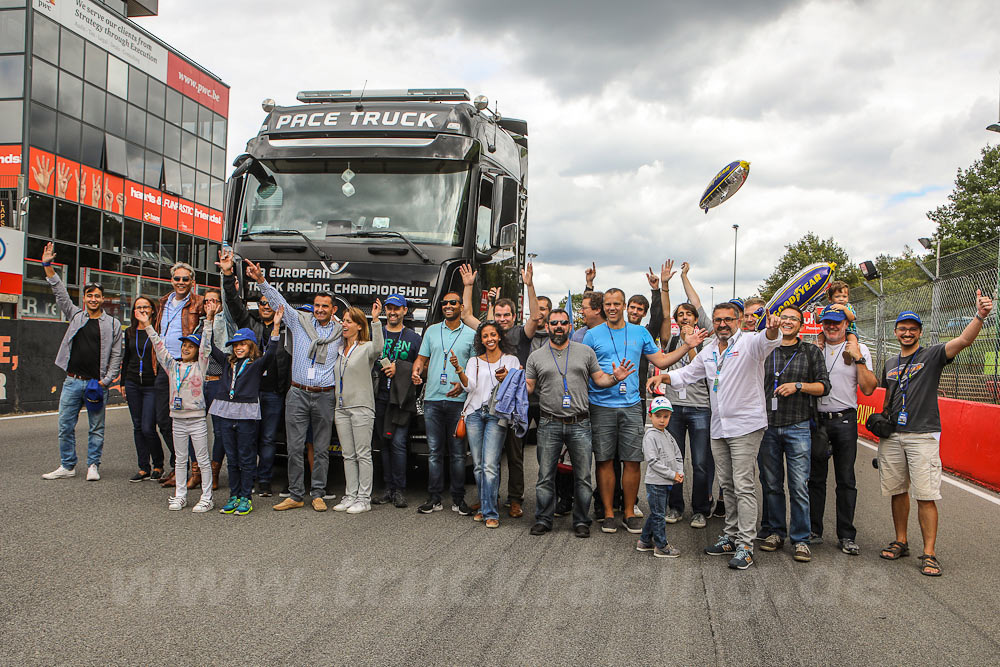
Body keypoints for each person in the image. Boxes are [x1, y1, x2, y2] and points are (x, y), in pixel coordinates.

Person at [648, 305, 782, 570]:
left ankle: (745, 545)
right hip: (719, 426)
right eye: (718, 319)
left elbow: (770, 339)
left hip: (746, 426)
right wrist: (664, 375)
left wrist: (774, 327)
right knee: (728, 484)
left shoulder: (752, 343)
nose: (722, 324)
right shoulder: (709, 350)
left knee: (743, 485)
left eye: (728, 319)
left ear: (739, 320)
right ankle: (731, 537)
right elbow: (687, 374)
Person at [877, 294, 993, 577]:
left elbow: (963, 341)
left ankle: (929, 553)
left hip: (923, 434)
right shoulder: (890, 362)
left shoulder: (931, 355)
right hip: (893, 436)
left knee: (926, 495)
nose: (907, 332)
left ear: (919, 332)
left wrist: (979, 316)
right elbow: (889, 398)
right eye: (902, 328)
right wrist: (881, 421)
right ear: (895, 332)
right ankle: (900, 541)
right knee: (897, 491)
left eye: (912, 328)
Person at [585, 287, 706, 535]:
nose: (612, 308)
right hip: (601, 405)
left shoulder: (639, 332)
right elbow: (586, 371)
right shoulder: (592, 335)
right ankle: (609, 513)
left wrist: (686, 346)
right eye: (607, 304)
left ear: (624, 305)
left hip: (631, 404)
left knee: (632, 460)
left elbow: (661, 361)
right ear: (603, 307)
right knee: (605, 460)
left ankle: (629, 512)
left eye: (616, 303)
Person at [525, 308, 635, 537]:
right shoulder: (536, 356)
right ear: (547, 327)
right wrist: (509, 380)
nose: (558, 327)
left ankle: (581, 521)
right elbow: (529, 387)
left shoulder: (585, 352)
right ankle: (544, 519)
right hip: (549, 423)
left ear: (569, 326)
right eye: (553, 323)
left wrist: (616, 378)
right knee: (545, 476)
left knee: (583, 477)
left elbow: (600, 379)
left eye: (563, 323)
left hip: (580, 423)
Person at [244, 260, 343, 513]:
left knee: (321, 448)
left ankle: (318, 493)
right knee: (295, 446)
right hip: (298, 393)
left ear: (333, 310)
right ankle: (297, 494)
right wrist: (260, 281)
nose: (320, 310)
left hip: (324, 396)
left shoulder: (341, 330)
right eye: (317, 305)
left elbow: (363, 340)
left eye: (325, 306)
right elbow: (279, 302)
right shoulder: (299, 321)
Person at [460, 263, 540, 519]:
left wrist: (529, 285)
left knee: (515, 456)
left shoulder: (522, 333)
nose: (503, 319)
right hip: (487, 406)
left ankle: (515, 500)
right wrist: (468, 286)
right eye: (499, 315)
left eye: (507, 315)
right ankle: (488, 499)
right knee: (488, 458)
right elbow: (466, 315)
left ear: (514, 317)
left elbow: (536, 318)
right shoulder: (488, 333)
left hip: (514, 405)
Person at [40, 242, 122, 482]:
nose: (93, 299)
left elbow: (116, 355)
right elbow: (59, 292)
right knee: (65, 425)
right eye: (89, 295)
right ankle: (67, 465)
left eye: (97, 295)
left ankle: (93, 465)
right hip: (73, 382)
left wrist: (107, 381)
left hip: (96, 384)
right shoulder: (76, 315)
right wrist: (47, 265)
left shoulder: (113, 324)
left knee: (96, 427)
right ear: (85, 298)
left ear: (103, 299)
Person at [757, 305, 830, 563]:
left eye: (793, 319)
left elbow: (824, 387)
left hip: (798, 425)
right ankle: (776, 532)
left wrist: (799, 386)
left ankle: (801, 539)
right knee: (772, 483)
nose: (788, 322)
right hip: (767, 425)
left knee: (799, 484)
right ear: (777, 321)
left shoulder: (810, 351)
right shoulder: (765, 349)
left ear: (801, 324)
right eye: (784, 317)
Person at [219, 249, 292, 497]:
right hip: (249, 394)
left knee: (269, 439)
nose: (265, 307)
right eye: (261, 303)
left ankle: (264, 481)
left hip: (273, 393)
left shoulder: (286, 329)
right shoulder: (249, 324)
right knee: (248, 440)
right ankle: (246, 480)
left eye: (269, 303)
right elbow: (232, 302)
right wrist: (228, 275)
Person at [809, 305, 877, 555]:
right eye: (827, 322)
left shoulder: (858, 349)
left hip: (845, 420)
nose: (832, 327)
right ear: (822, 325)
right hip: (817, 421)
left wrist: (857, 357)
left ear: (846, 325)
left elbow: (869, 388)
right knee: (815, 479)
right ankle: (814, 530)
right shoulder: (814, 348)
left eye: (837, 322)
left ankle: (846, 535)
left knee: (846, 480)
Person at [137, 301, 216, 512]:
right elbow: (159, 346)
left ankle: (207, 497)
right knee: (181, 460)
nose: (185, 348)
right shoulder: (173, 366)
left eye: (190, 346)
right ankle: (180, 495)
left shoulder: (201, 365)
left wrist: (208, 320)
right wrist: (148, 326)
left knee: (202, 459)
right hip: (178, 418)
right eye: (184, 346)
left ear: (197, 350)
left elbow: (206, 344)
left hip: (197, 418)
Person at [656, 261, 716, 528]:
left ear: (696, 318)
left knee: (701, 462)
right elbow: (666, 311)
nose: (683, 317)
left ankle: (701, 508)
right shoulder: (670, 339)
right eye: (680, 315)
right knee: (675, 459)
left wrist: (685, 277)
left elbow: (697, 367)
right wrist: (665, 285)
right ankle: (675, 506)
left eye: (688, 314)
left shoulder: (706, 339)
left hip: (701, 407)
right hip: (675, 407)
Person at [211, 314, 283, 516]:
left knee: (246, 456)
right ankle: (234, 495)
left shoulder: (257, 364)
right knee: (232, 458)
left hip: (246, 415)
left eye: (243, 344)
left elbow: (271, 352)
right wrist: (209, 321)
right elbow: (210, 348)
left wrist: (276, 326)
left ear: (251, 345)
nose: (238, 348)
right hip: (225, 412)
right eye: (235, 345)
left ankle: (246, 497)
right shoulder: (227, 363)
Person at [411, 291, 477, 514]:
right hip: (432, 399)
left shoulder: (470, 334)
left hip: (458, 401)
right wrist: (416, 371)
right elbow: (422, 358)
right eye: (445, 303)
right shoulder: (431, 331)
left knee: (458, 454)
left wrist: (463, 382)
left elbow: (475, 366)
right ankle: (435, 499)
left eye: (453, 303)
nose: (448, 305)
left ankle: (458, 500)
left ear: (460, 307)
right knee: (434, 452)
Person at [454, 321, 521, 528]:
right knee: (478, 466)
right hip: (474, 413)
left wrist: (507, 377)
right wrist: (458, 369)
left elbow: (516, 386)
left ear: (500, 336)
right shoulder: (474, 361)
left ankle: (491, 512)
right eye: (485, 336)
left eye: (493, 334)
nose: (489, 339)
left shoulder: (511, 360)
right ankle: (484, 507)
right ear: (480, 340)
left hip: (496, 415)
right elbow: (470, 387)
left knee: (490, 465)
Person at [152, 261, 205, 489]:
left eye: (186, 279)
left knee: (189, 420)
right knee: (163, 419)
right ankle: (179, 464)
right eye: (177, 278)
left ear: (192, 282)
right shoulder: (163, 302)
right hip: (165, 366)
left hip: (187, 366)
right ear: (171, 280)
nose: (181, 283)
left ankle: (195, 470)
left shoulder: (199, 303)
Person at [331, 301, 384, 514]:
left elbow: (379, 348)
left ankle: (364, 498)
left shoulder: (366, 347)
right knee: (348, 454)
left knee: (363, 453)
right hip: (341, 407)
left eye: (349, 321)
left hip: (362, 406)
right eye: (343, 321)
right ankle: (350, 494)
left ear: (359, 326)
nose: (344, 324)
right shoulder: (339, 350)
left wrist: (377, 320)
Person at [372, 294, 422, 508]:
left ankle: (400, 489)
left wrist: (400, 367)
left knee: (399, 444)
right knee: (384, 443)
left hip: (401, 400)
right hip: (380, 397)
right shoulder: (377, 333)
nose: (392, 312)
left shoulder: (413, 337)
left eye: (397, 308)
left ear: (404, 311)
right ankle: (388, 488)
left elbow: (423, 366)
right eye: (389, 308)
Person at [122, 296, 164, 482]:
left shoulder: (157, 330)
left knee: (148, 427)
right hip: (132, 383)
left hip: (151, 384)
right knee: (137, 426)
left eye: (146, 307)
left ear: (153, 310)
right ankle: (143, 467)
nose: (142, 310)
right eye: (138, 307)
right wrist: (123, 382)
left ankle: (158, 464)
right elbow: (126, 358)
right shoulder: (130, 331)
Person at [636, 397, 684, 558]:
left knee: (658, 512)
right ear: (651, 416)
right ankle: (661, 546)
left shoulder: (667, 434)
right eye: (658, 416)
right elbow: (653, 461)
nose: (662, 420)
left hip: (666, 482)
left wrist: (680, 471)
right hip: (655, 483)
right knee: (659, 514)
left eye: (665, 416)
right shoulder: (650, 436)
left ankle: (644, 541)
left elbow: (678, 455)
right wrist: (673, 474)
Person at [193, 288, 229, 491]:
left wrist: (212, 319)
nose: (210, 305)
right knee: (193, 426)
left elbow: (218, 350)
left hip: (217, 381)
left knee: (220, 431)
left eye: (214, 301)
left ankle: (214, 472)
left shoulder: (224, 325)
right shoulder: (198, 325)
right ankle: (196, 471)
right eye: (206, 301)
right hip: (198, 381)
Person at [816, 281, 859, 362]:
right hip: (833, 332)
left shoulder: (848, 307)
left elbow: (852, 318)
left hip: (849, 330)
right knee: (821, 335)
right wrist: (815, 313)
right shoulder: (828, 308)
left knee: (852, 339)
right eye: (837, 296)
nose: (841, 299)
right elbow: (818, 321)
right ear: (830, 298)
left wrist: (844, 309)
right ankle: (818, 348)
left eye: (844, 296)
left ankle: (849, 353)